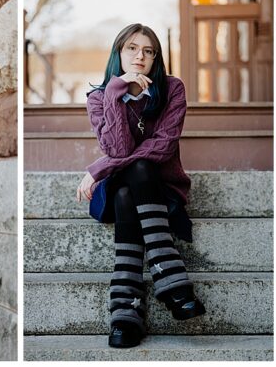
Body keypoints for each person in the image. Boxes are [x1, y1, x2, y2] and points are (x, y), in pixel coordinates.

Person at [75, 23, 203, 349]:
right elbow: (118, 150)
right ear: (118, 53)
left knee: (138, 175)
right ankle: (169, 277)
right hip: (120, 190)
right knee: (124, 186)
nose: (140, 56)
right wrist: (116, 94)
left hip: (163, 189)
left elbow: (162, 148)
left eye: (148, 50)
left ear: (156, 58)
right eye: (132, 48)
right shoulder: (98, 98)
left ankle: (125, 309)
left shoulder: (172, 89)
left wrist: (97, 169)